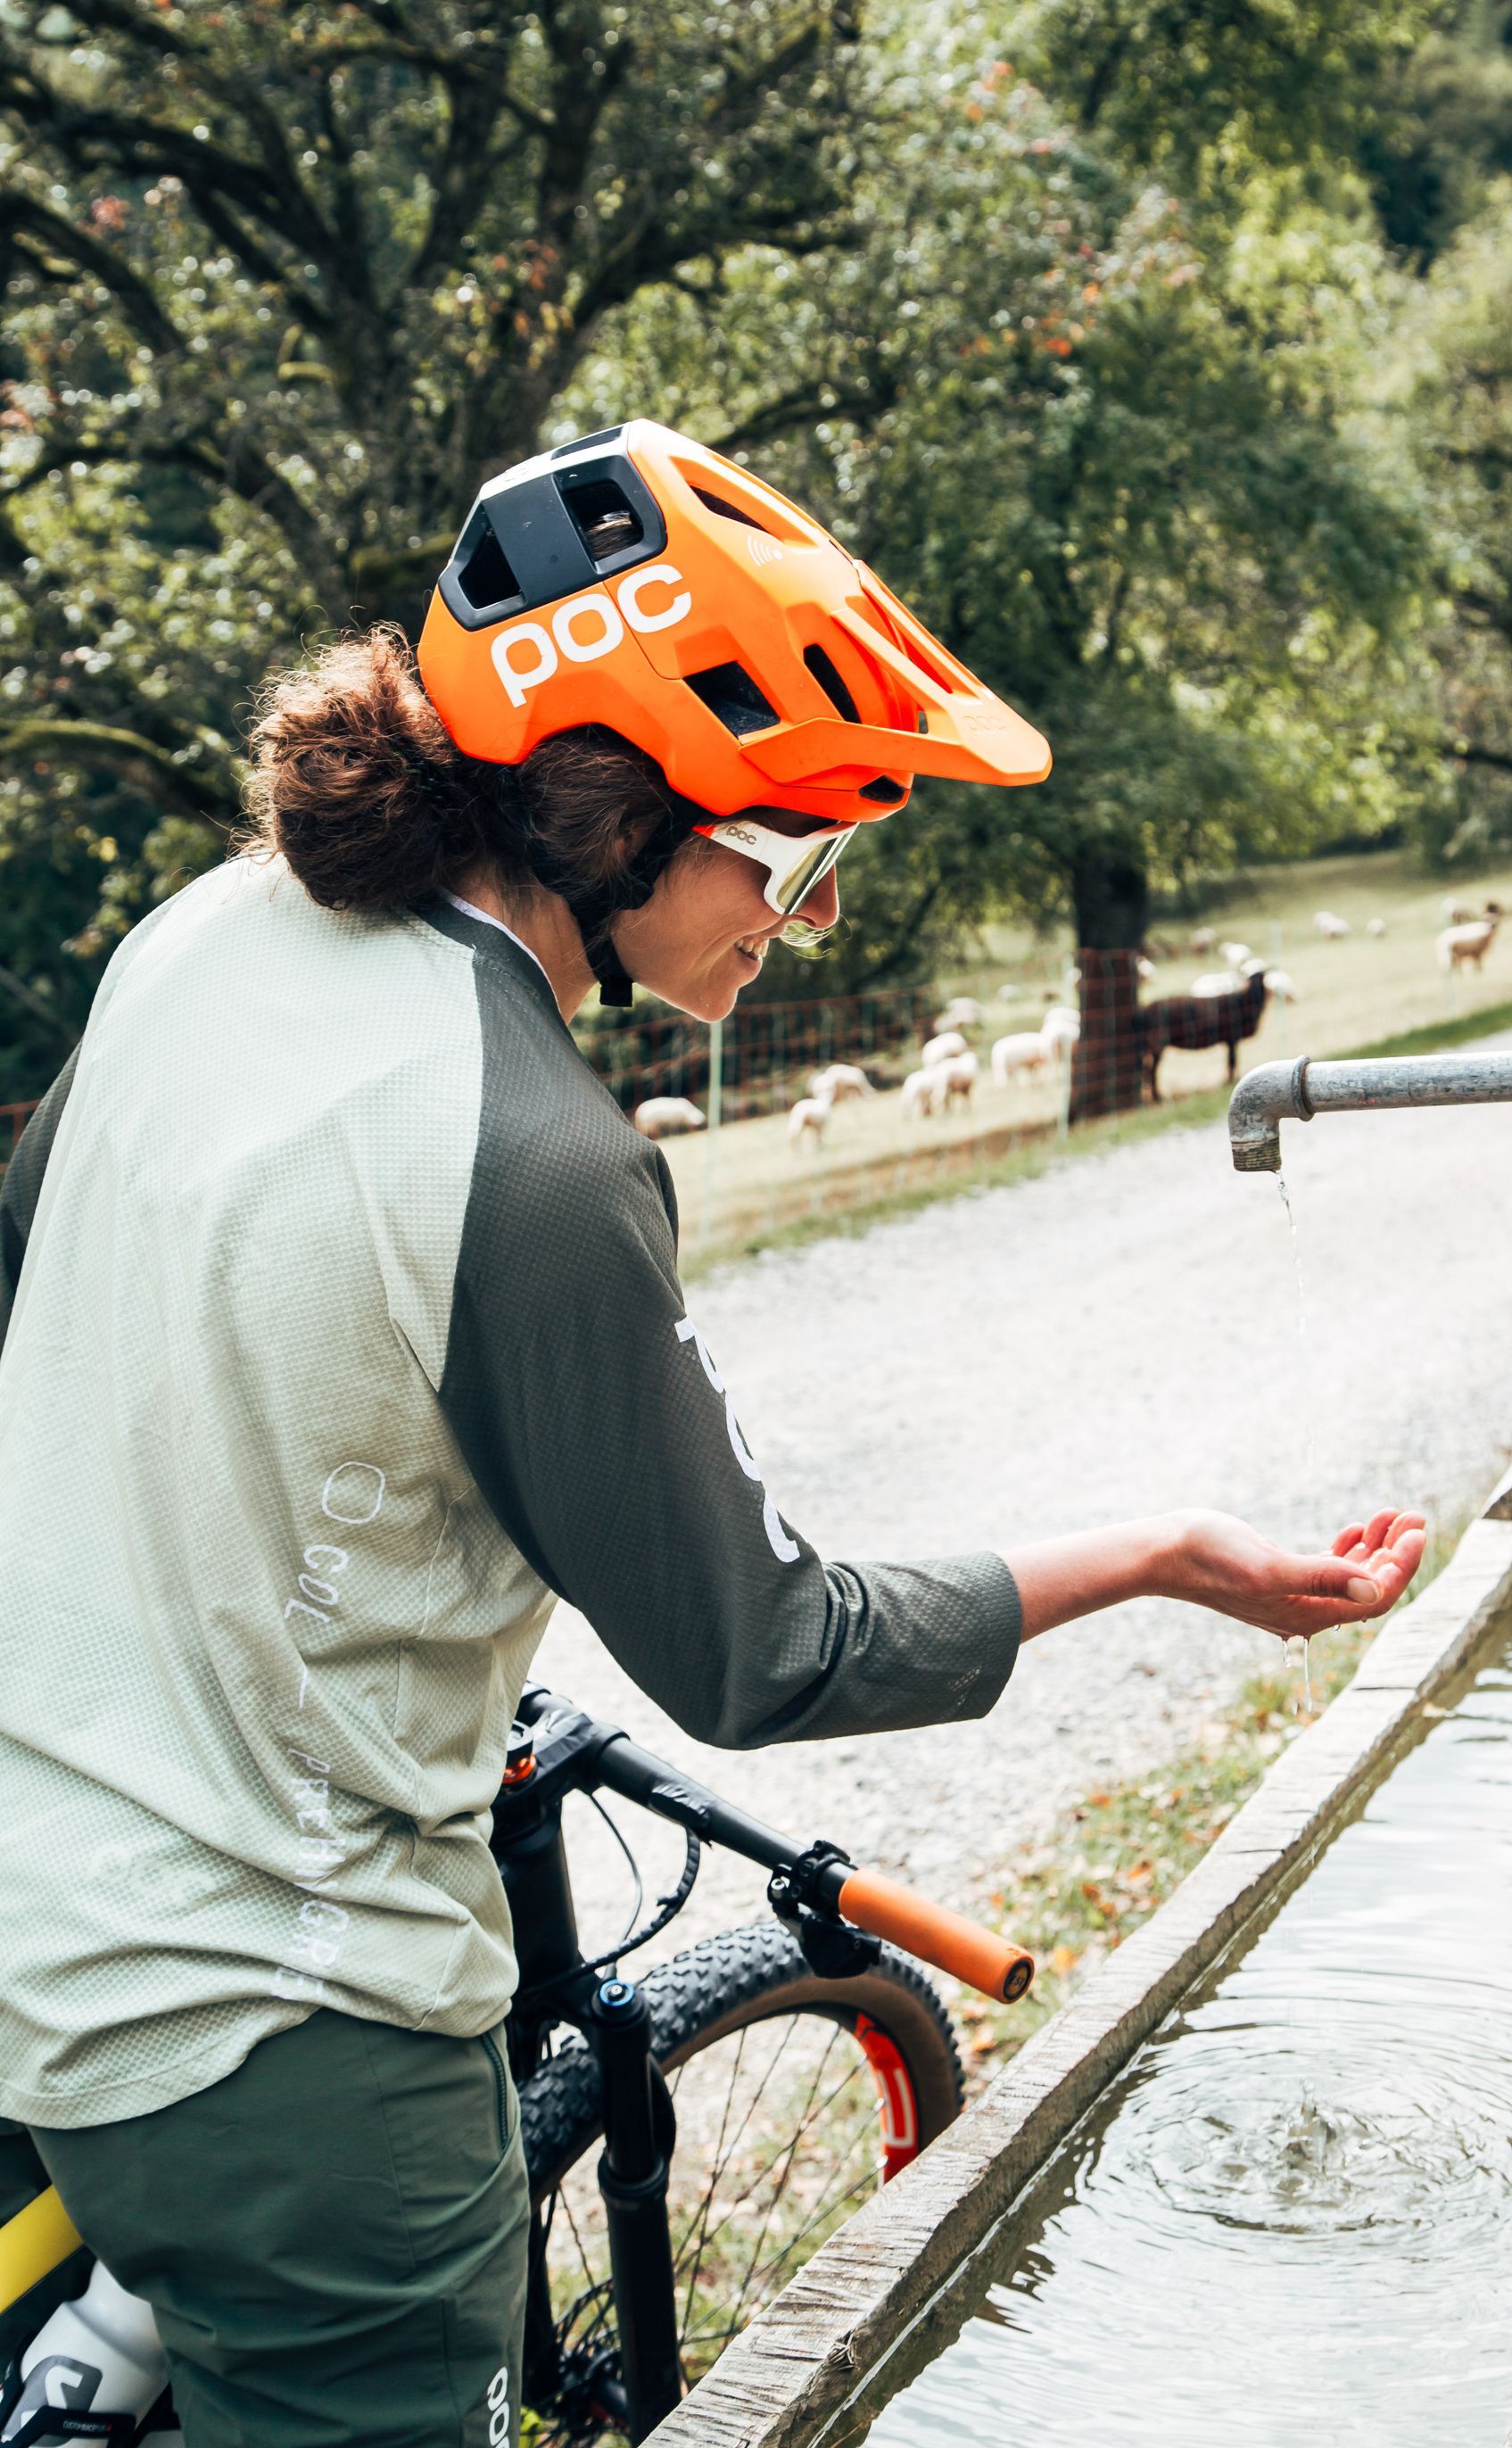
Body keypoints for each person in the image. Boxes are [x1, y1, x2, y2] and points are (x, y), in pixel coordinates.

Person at [0, 421, 1425, 2444]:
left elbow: (39, 1295)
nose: (813, 925)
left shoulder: (196, 941)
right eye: (803, 856)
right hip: (280, 2041)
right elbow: (769, 1647)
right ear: (618, 807)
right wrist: (1175, 1551)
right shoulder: (536, 1154)